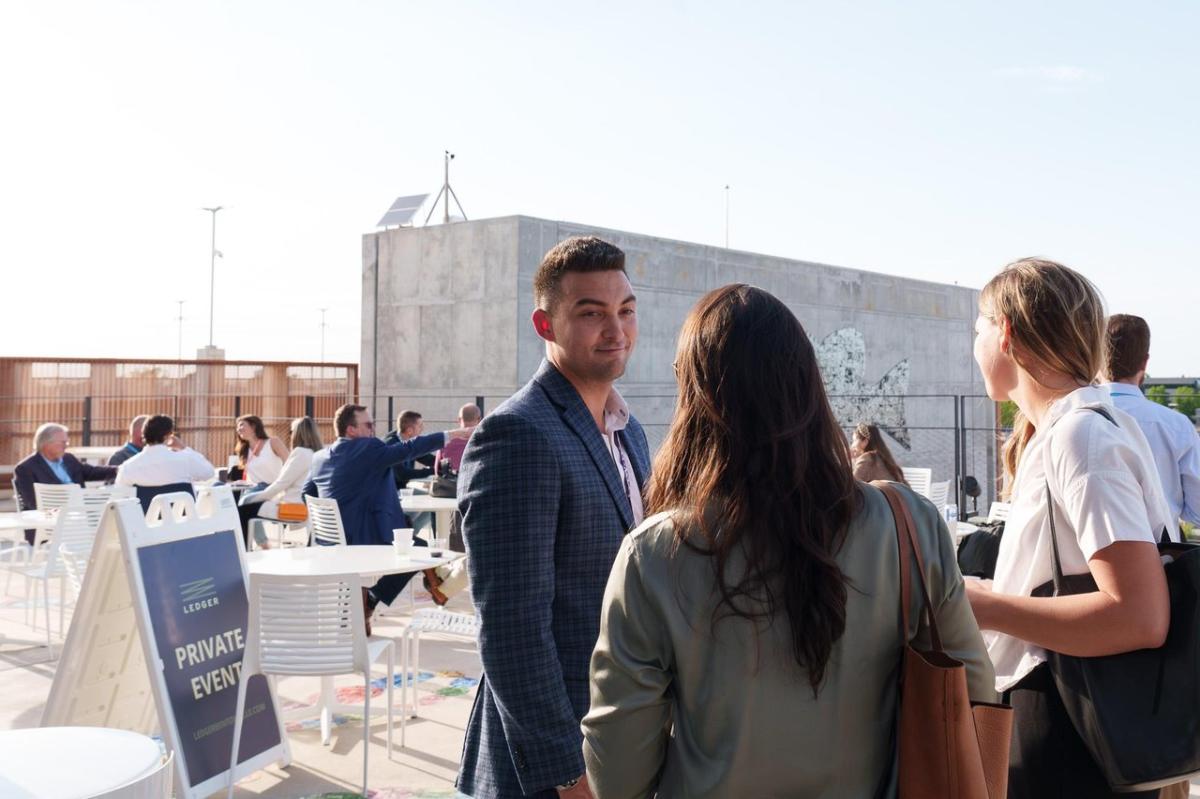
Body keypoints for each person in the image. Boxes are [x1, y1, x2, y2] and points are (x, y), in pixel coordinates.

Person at [580, 284, 993, 798]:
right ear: (810, 385)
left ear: (694, 397)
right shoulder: (909, 524)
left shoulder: (653, 554)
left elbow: (619, 769)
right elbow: (974, 690)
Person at [963, 260, 1172, 799]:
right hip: (1074, 720)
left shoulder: (1081, 437)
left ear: (1007, 333)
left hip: (1069, 732)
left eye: (977, 328)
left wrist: (984, 607)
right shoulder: (1078, 427)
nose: (974, 345)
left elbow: (1139, 616)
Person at [456, 235, 651, 799]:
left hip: (617, 736)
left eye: (625, 310)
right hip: (549, 766)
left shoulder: (630, 431)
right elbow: (511, 629)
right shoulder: (517, 434)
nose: (616, 330)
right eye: (591, 313)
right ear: (545, 325)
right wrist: (566, 774)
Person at [303, 403, 470, 633]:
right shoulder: (367, 448)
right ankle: (373, 599)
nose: (373, 430)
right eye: (368, 425)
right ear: (351, 430)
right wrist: (452, 435)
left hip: (329, 541)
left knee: (412, 539)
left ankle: (431, 587)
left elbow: (307, 494)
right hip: (364, 540)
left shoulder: (319, 457)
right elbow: (408, 449)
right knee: (418, 552)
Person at [1101, 314, 1200, 531]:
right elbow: (1197, 511)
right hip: (1161, 547)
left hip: (1088, 550)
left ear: (1096, 357)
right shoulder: (1177, 426)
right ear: (1145, 362)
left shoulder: (1069, 418)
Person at [14, 423, 117, 541]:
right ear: (46, 444)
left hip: (81, 517)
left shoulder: (68, 459)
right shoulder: (25, 468)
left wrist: (119, 470)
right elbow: (32, 502)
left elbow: (90, 472)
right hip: (51, 524)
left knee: (112, 507)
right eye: (63, 442)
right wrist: (65, 505)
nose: (66, 446)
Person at [239, 416, 323, 548]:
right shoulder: (317, 454)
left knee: (244, 508)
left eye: (291, 432)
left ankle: (244, 552)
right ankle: (257, 546)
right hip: (307, 507)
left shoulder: (300, 453)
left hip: (294, 509)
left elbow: (281, 484)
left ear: (298, 433)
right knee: (247, 506)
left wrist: (251, 498)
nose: (290, 436)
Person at [115, 414, 215, 487]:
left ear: (143, 435)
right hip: (180, 510)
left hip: (144, 511)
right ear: (169, 435)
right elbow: (209, 473)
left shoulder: (128, 467)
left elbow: (120, 494)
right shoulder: (185, 460)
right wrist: (183, 447)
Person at [233, 415, 288, 541]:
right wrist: (243, 482)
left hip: (273, 487)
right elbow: (253, 476)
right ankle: (257, 543)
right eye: (237, 426)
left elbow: (290, 464)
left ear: (253, 426)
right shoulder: (245, 450)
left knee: (244, 502)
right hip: (254, 488)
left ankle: (257, 543)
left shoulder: (273, 442)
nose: (238, 429)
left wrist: (285, 487)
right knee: (232, 501)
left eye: (241, 425)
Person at [385, 410, 437, 489]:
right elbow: (401, 474)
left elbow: (426, 458)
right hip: (389, 492)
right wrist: (432, 471)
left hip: (401, 490)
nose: (422, 429)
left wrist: (442, 464)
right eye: (420, 426)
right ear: (409, 431)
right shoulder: (391, 445)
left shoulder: (410, 442)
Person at [437, 403, 481, 474]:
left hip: (450, 480)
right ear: (479, 419)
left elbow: (437, 471)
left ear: (459, 420)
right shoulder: (485, 442)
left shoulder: (445, 442)